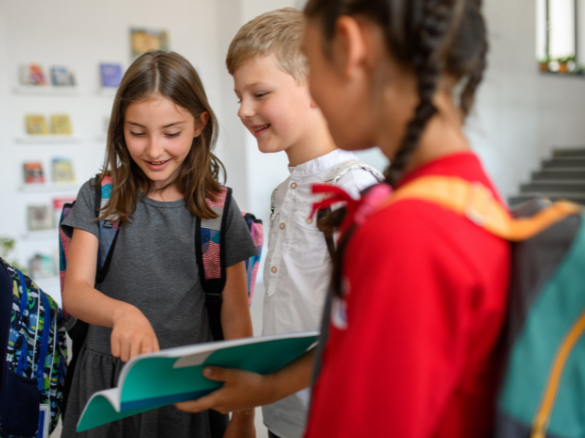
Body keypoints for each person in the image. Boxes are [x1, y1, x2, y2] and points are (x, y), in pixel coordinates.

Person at [299, 0, 508, 437]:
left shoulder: (410, 233)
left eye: (308, 60)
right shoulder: (467, 195)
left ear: (350, 45)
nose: (311, 90)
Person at [177, 8, 381, 438]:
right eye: (239, 96)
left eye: (259, 93)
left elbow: (369, 326)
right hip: (285, 419)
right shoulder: (283, 193)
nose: (243, 110)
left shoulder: (355, 190)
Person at [60, 50, 257, 438]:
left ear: (199, 124)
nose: (153, 150)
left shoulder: (218, 211)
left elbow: (235, 316)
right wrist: (122, 314)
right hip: (106, 385)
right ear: (120, 127)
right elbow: (76, 292)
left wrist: (246, 414)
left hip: (188, 387)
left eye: (171, 133)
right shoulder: (98, 197)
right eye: (137, 132)